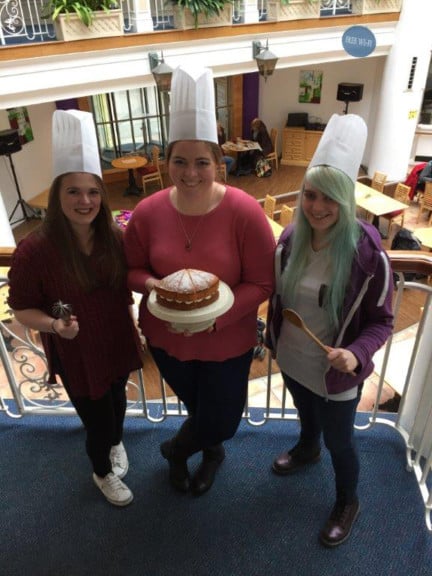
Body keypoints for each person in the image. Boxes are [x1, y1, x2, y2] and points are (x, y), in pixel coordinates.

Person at [124, 66, 275, 496]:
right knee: (199, 408)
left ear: (219, 163)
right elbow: (131, 270)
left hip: (227, 339)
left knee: (223, 417)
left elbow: (263, 282)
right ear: (166, 162)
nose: (190, 172)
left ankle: (175, 451)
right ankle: (211, 454)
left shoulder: (244, 211)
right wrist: (152, 286)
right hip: (166, 335)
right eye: (180, 161)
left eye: (202, 162)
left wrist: (215, 320)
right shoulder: (148, 212)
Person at [265, 114, 394, 547]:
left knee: (341, 442)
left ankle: (347, 500)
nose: (317, 207)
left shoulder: (368, 256)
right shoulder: (289, 240)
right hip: (293, 359)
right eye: (310, 194)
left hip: (336, 373)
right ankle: (307, 448)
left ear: (346, 200)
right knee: (306, 414)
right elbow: (278, 297)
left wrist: (356, 353)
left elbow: (382, 321)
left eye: (330, 198)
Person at [7, 110, 142, 507]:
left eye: (93, 192)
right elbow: (20, 309)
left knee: (117, 404)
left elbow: (125, 289)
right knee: (97, 421)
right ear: (57, 195)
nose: (85, 201)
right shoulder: (35, 250)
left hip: (116, 340)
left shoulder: (114, 237)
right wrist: (54, 325)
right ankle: (102, 472)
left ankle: (115, 443)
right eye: (73, 191)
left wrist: (137, 324)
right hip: (78, 352)